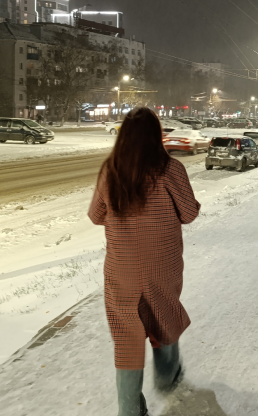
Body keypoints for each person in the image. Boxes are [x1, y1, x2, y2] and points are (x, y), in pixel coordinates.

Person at [89, 107, 200, 416]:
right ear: (155, 136)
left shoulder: (110, 170)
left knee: (126, 337)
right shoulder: (170, 169)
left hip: (121, 268)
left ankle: (130, 409)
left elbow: (95, 215)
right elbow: (189, 213)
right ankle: (166, 378)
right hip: (161, 264)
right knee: (163, 317)